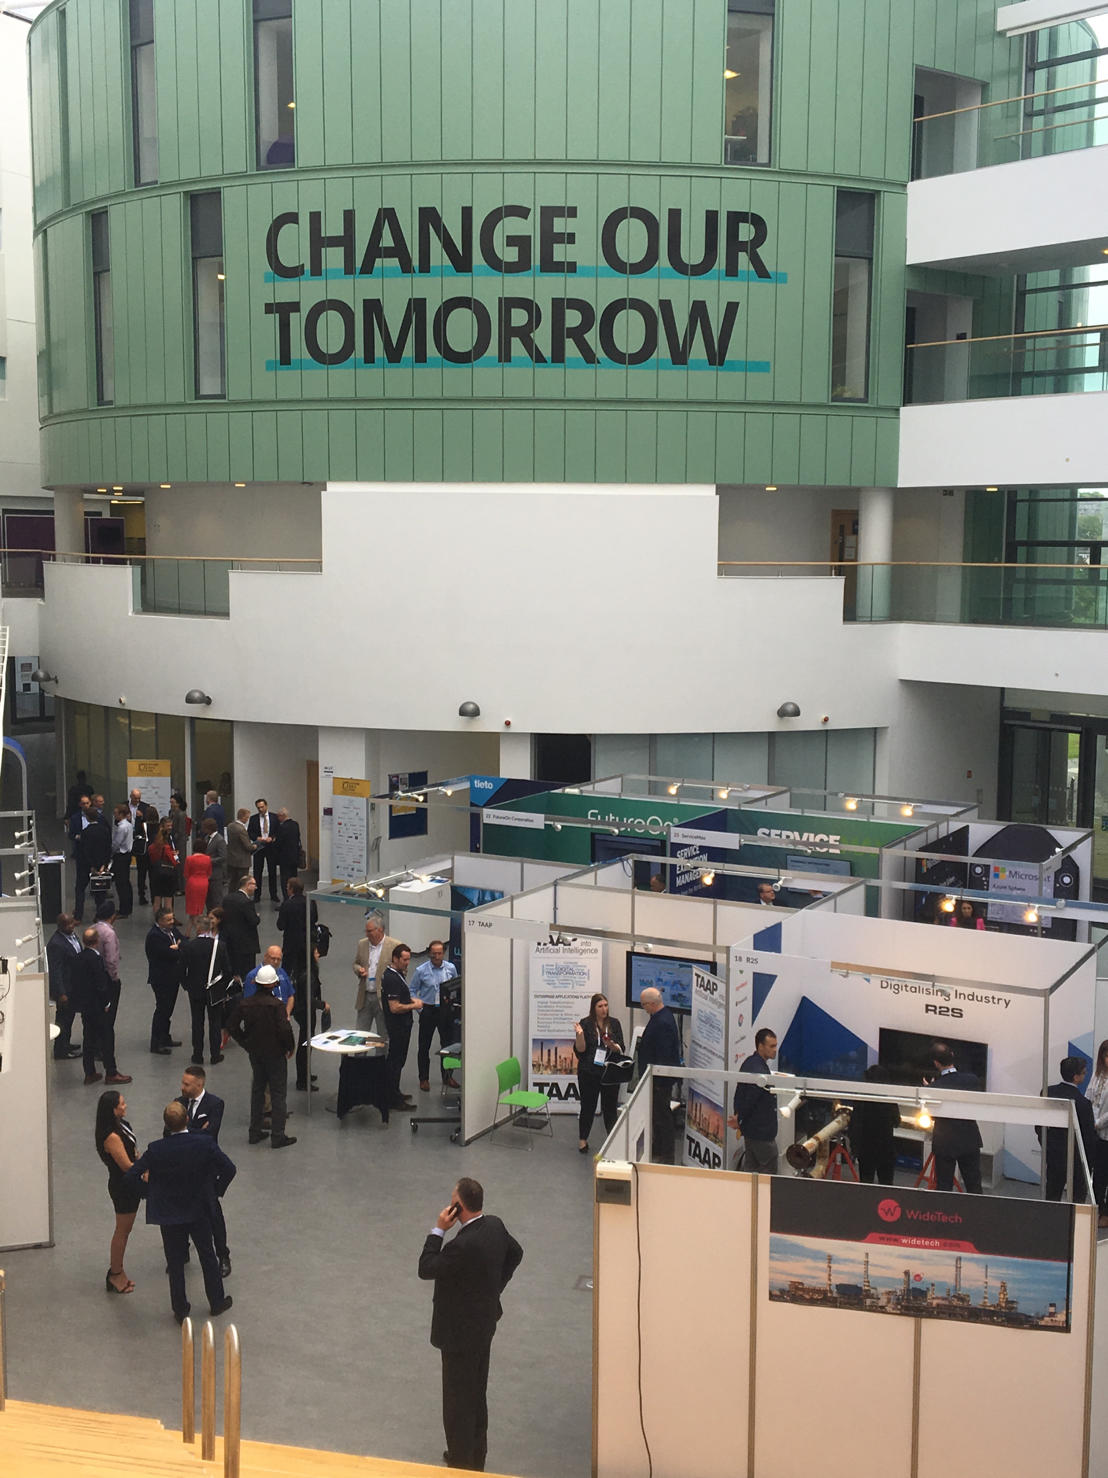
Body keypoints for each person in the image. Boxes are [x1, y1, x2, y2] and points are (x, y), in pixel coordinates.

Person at [417, 1177, 523, 1474]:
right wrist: (493, 1289)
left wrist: (438, 1229)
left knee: (456, 1404)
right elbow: (516, 1253)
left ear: (457, 1207)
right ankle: (478, 1456)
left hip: (457, 1334)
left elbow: (425, 1268)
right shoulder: (495, 1226)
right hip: (484, 1325)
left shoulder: (461, 1245)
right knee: (476, 1393)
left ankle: (461, 1462)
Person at [123, 1100, 235, 1325]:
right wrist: (215, 1191)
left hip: (169, 1213)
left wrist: (150, 1193)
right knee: (208, 1256)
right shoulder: (203, 1143)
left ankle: (180, 1308)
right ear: (187, 1120)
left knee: (175, 1262)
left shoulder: (156, 1149)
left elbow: (130, 1177)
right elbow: (229, 1168)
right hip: (199, 1209)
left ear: (166, 1124)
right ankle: (216, 1301)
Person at [223, 965, 297, 1147]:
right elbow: (285, 1029)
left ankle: (254, 1132)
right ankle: (278, 1135)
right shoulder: (277, 1006)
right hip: (276, 1054)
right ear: (273, 985)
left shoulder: (245, 1004)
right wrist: (290, 1047)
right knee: (278, 1094)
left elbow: (231, 1026)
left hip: (255, 1054)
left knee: (257, 1090)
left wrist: (245, 1043)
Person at [176, 1065, 231, 1276]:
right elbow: (168, 1130)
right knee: (181, 1211)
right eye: (182, 1083)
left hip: (206, 1170)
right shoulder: (178, 1103)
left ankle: (223, 1255)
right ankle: (182, 1251)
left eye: (186, 1084)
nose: (182, 1087)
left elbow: (211, 1135)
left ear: (199, 1084)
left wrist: (185, 1129)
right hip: (183, 1169)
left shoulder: (215, 1104)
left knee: (214, 1214)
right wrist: (198, 1130)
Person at [71, 926, 131, 1087]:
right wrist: (107, 1003)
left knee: (88, 1038)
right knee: (107, 1036)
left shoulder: (79, 958)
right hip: (98, 1007)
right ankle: (111, 1072)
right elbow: (100, 984)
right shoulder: (96, 959)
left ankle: (89, 1072)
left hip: (86, 1006)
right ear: (97, 942)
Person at [95, 1089, 140, 1294]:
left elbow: (133, 1152)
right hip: (124, 1187)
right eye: (121, 1104)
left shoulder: (122, 1125)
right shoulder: (111, 1137)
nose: (125, 1105)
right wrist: (145, 1171)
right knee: (122, 1231)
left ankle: (118, 1271)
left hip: (129, 1184)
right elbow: (126, 1166)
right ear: (113, 1110)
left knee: (125, 1230)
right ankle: (115, 1274)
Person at [573, 992, 626, 1154]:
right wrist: (579, 1036)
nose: (604, 1009)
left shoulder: (614, 1024)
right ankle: (583, 1140)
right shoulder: (586, 1024)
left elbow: (621, 1048)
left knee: (610, 1108)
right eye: (600, 1006)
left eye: (606, 1005)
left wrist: (611, 1045)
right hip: (589, 1072)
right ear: (594, 1008)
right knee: (588, 1106)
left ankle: (613, 1140)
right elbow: (580, 1051)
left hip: (610, 1072)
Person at [928, 1041, 983, 1194]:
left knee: (944, 1187)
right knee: (974, 1185)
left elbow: (932, 1115)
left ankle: (946, 1216)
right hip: (969, 1139)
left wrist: (929, 1089)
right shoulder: (972, 1080)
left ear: (936, 1063)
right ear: (952, 1056)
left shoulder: (935, 1088)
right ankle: (979, 1216)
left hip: (945, 1142)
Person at [636, 986, 682, 1165]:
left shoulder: (661, 1023)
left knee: (663, 1117)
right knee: (658, 1115)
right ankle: (658, 1148)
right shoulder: (663, 1017)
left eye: (644, 1005)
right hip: (657, 1080)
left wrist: (657, 1081)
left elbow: (663, 1055)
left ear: (652, 1004)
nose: (644, 1008)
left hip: (659, 1081)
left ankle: (667, 1154)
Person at [181, 909, 233, 1066]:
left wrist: (187, 986)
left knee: (197, 1022)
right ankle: (215, 1055)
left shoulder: (189, 946)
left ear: (198, 928)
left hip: (195, 990)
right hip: (215, 990)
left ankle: (197, 1054)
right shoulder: (220, 946)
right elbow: (227, 971)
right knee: (215, 1022)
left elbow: (182, 969)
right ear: (210, 928)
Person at [1041, 1057, 1096, 1203]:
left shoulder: (1047, 1092)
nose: (1085, 1075)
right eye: (1084, 1073)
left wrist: (1047, 1146)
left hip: (1054, 1155)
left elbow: (1039, 1125)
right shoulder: (1083, 1104)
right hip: (1076, 1159)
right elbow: (1089, 1137)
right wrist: (1089, 1164)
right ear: (1076, 1077)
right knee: (1077, 1200)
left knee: (1052, 1195)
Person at [409, 939, 459, 1092]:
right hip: (428, 1010)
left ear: (443, 953)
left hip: (444, 1011)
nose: (436, 956)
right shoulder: (421, 970)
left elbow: (456, 986)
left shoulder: (450, 968)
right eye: (433, 954)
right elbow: (412, 990)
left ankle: (447, 1076)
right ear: (429, 954)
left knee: (447, 1045)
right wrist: (420, 1009)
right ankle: (423, 1078)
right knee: (424, 1046)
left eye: (439, 953)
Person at [729, 1028, 779, 1174]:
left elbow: (740, 1094)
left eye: (776, 1045)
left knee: (750, 1169)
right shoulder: (759, 1071)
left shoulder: (749, 1063)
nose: (775, 1050)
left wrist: (739, 1117)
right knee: (767, 1173)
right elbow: (749, 1099)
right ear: (760, 1046)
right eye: (771, 1046)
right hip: (761, 1132)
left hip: (751, 1131)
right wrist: (740, 1118)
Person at [382, 944, 421, 1110]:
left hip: (402, 1027)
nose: (407, 963)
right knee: (395, 1062)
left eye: (408, 959)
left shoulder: (397, 974)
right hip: (397, 1027)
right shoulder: (391, 978)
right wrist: (415, 1005)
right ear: (395, 959)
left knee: (399, 1061)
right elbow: (395, 1007)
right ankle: (392, 1099)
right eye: (404, 960)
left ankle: (394, 1092)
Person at [851, 1064, 902, 1184]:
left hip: (865, 1148)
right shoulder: (888, 1100)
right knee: (886, 1184)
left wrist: (854, 1148)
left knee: (866, 1182)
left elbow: (855, 1124)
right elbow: (896, 1121)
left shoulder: (861, 1099)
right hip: (885, 1148)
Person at [353, 909, 399, 1035]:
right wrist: (358, 970)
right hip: (365, 997)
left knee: (383, 1035)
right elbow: (355, 963)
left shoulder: (394, 946)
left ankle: (381, 1056)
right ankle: (359, 1055)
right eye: (366, 931)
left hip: (383, 998)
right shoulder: (362, 944)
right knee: (360, 1034)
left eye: (369, 931)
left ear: (379, 930)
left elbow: (401, 971)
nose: (366, 934)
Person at [145, 908, 184, 1054]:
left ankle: (165, 1037)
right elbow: (168, 954)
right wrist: (177, 949)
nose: (172, 922)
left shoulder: (172, 931)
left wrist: (177, 947)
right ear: (159, 921)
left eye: (172, 919)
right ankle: (155, 1043)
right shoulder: (154, 936)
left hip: (173, 977)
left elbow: (184, 941)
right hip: (161, 979)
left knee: (168, 1009)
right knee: (162, 1010)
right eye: (168, 920)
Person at [46, 912, 83, 1059]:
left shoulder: (72, 936)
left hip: (74, 986)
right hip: (65, 990)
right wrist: (61, 993)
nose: (72, 926)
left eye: (72, 923)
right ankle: (61, 1050)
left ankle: (66, 1043)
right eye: (68, 924)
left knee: (69, 1018)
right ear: (60, 926)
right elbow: (56, 971)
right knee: (63, 1020)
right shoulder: (56, 944)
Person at [220, 875, 262, 980]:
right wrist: (256, 917)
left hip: (230, 941)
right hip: (245, 945)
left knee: (233, 971)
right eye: (254, 885)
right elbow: (253, 921)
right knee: (247, 974)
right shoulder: (246, 902)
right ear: (248, 885)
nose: (256, 887)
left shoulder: (227, 898)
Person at [1087, 1040, 1108, 1227]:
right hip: (1095, 1134)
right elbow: (1089, 1097)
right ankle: (1100, 1209)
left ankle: (1106, 1214)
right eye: (1106, 1056)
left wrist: (1098, 1123)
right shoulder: (1097, 1075)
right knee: (1098, 1177)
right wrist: (1088, 1120)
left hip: (1105, 1131)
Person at [243, 944, 294, 1012]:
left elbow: (290, 996)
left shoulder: (282, 972)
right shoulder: (253, 975)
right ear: (265, 957)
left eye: (278, 959)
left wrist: (287, 1014)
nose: (276, 962)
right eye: (273, 958)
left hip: (282, 1017)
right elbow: (249, 1002)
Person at [248, 798, 279, 902]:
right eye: (258, 808)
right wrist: (257, 838)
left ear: (266, 806)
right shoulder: (253, 818)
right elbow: (250, 832)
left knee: (272, 872)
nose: (260, 809)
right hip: (259, 847)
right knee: (257, 872)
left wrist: (273, 837)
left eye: (262, 807)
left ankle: (273, 894)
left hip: (271, 847)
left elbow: (278, 831)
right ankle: (257, 895)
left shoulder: (274, 817)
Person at [147, 819, 180, 915]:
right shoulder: (166, 848)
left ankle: (157, 920)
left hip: (156, 874)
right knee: (168, 900)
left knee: (157, 899)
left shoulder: (151, 847)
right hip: (167, 875)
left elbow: (151, 858)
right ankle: (168, 918)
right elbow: (175, 862)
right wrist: (175, 856)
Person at [183, 838, 212, 937]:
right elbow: (209, 873)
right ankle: (188, 932)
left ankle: (200, 931)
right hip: (203, 883)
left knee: (193, 910)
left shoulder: (189, 859)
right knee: (199, 908)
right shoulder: (208, 859)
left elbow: (186, 874)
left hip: (192, 883)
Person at [128, 790, 152, 906]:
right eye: (135, 798)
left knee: (141, 869)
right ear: (130, 797)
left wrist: (142, 817)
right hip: (127, 838)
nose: (137, 801)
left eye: (138, 798)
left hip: (140, 841)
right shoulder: (124, 806)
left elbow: (149, 823)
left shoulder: (145, 807)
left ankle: (141, 894)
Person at [110, 803, 134, 917]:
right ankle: (128, 907)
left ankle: (123, 910)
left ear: (121, 814)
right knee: (126, 882)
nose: (114, 815)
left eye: (116, 813)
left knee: (121, 884)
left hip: (121, 856)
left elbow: (116, 843)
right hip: (127, 855)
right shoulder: (129, 825)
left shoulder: (121, 827)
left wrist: (110, 852)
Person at [273, 807, 301, 899]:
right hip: (295, 857)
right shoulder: (295, 824)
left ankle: (286, 899)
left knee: (285, 881)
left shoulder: (282, 827)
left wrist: (274, 841)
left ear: (282, 816)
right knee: (294, 879)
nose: (277, 818)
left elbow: (278, 843)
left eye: (278, 816)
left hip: (285, 858)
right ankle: (295, 897)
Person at [201, 817, 228, 910]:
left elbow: (223, 857)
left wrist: (209, 860)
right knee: (208, 899)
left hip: (216, 874)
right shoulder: (206, 838)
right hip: (207, 874)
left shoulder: (219, 840)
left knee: (217, 899)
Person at [226, 808, 254, 889]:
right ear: (243, 817)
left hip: (232, 859)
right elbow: (248, 846)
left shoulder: (230, 826)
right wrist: (254, 846)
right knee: (242, 882)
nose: (247, 819)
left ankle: (231, 898)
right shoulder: (241, 829)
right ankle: (240, 899)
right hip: (242, 861)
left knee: (233, 882)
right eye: (247, 817)